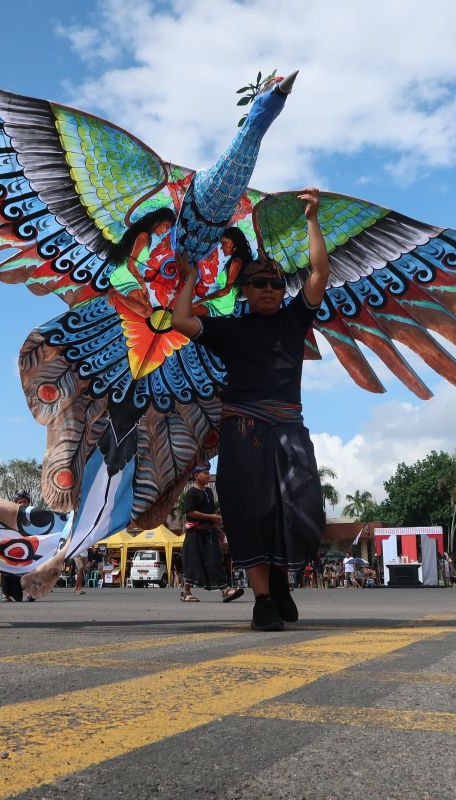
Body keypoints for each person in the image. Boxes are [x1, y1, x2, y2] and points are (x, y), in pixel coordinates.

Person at [173, 188, 329, 631]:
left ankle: (281, 581)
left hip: (288, 427)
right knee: (252, 510)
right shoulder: (231, 329)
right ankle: (263, 599)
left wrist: (311, 219)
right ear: (245, 289)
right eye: (259, 282)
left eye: (276, 283)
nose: (269, 289)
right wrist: (188, 279)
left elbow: (320, 270)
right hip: (242, 429)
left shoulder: (294, 319)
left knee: (302, 507)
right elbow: (183, 321)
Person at [179, 465, 246, 603]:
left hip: (209, 533)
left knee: (214, 560)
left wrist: (217, 520)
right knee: (193, 563)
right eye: (205, 473)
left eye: (209, 473)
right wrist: (211, 518)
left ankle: (225, 590)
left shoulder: (209, 491)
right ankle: (186, 592)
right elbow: (190, 512)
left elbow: (212, 511)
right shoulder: (191, 492)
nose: (208, 475)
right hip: (195, 534)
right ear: (196, 475)